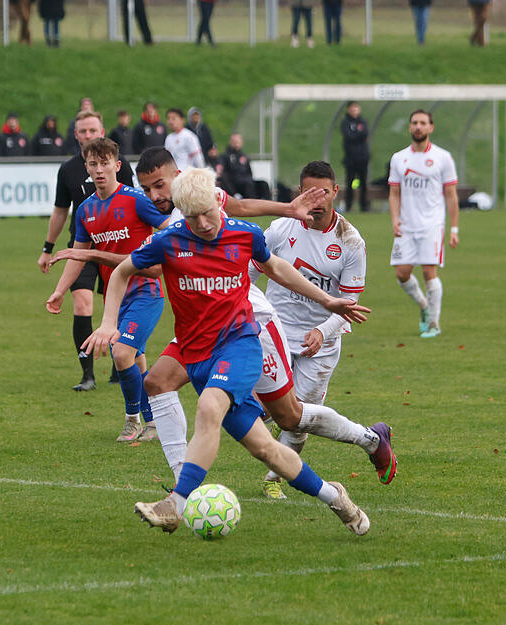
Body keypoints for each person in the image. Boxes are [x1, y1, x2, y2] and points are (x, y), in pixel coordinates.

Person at [82, 167, 372, 536]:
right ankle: (336, 497)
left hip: (239, 344)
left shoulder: (244, 234)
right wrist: (109, 323)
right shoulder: (169, 240)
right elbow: (124, 270)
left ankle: (176, 502)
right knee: (266, 450)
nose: (203, 223)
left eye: (208, 212)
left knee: (209, 407)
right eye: (193, 216)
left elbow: (277, 267)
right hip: (194, 350)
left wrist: (328, 300)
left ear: (218, 201)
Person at [118, 150, 396, 496]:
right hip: (215, 324)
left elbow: (244, 221)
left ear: (178, 174)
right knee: (159, 382)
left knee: (289, 417)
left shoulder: (208, 202)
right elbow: (151, 263)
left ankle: (363, 442)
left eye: (159, 185)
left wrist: (324, 314)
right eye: (147, 190)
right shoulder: (176, 223)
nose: (155, 196)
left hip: (263, 327)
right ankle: (182, 487)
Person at [250, 161, 389, 496]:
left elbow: (350, 305)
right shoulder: (281, 229)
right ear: (300, 192)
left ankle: (274, 481)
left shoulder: (350, 241)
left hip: (322, 343)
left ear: (335, 192)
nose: (317, 200)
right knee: (262, 409)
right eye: (310, 192)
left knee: (296, 420)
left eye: (323, 192)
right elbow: (249, 276)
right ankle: (371, 438)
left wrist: (322, 332)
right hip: (275, 333)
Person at [47, 138, 170, 443]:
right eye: (93, 164)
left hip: (146, 291)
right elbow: (77, 255)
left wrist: (156, 255)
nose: (99, 170)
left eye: (105, 164)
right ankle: (154, 423)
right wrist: (60, 291)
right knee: (136, 359)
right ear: (86, 168)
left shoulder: (136, 200)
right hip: (115, 298)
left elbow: (170, 227)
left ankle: (131, 420)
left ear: (117, 166)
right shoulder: (86, 210)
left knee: (122, 352)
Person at [38, 111, 136, 392]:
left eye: (93, 130)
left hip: (115, 247)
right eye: (83, 131)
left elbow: (134, 205)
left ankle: (121, 364)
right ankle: (88, 374)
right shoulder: (68, 170)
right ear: (76, 135)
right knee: (82, 304)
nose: (88, 135)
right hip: (81, 248)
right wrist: (48, 248)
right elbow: (59, 211)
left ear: (102, 131)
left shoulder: (120, 166)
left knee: (115, 307)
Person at [388, 109, 459, 339]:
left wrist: (454, 228)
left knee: (429, 271)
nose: (418, 126)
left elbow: (450, 194)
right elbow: (394, 193)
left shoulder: (443, 157)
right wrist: (395, 219)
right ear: (410, 127)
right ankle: (423, 305)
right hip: (407, 225)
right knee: (402, 273)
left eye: (423, 123)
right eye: (414, 123)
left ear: (431, 127)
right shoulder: (399, 158)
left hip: (432, 224)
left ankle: (434, 324)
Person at [341, 101, 370, 212]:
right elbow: (349, 136)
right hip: (350, 159)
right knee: (350, 183)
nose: (354, 111)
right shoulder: (346, 122)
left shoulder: (363, 121)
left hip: (363, 158)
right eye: (352, 109)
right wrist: (359, 135)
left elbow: (365, 133)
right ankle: (349, 206)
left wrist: (356, 135)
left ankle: (364, 206)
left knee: (364, 183)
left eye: (356, 108)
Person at [221, 133, 270, 200]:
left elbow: (249, 172)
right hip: (236, 183)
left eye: (238, 141)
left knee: (264, 184)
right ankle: (253, 207)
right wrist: (233, 193)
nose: (236, 143)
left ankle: (268, 206)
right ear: (230, 142)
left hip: (247, 181)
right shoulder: (226, 156)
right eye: (234, 141)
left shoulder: (243, 156)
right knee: (248, 184)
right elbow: (225, 176)